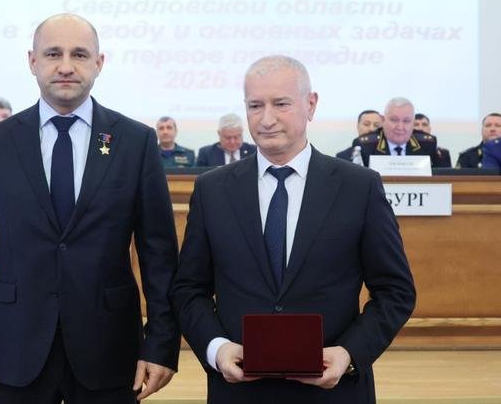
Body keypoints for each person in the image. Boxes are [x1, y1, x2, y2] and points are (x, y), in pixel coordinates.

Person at [0, 13, 180, 404]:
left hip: (110, 350)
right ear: (32, 61)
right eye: (53, 53)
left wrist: (161, 344)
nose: (66, 66)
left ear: (99, 63)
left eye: (80, 54)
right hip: (14, 349)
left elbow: (159, 255)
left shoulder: (135, 142)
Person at [169, 55, 416, 404]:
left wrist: (348, 353)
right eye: (255, 105)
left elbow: (395, 291)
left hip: (335, 392)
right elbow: (188, 289)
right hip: (239, 392)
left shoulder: (359, 187)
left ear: (310, 104)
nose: (266, 119)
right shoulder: (212, 190)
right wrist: (217, 348)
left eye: (281, 104)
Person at [353, 97, 444, 167]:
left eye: (406, 121)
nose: (400, 127)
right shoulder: (365, 145)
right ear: (383, 120)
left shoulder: (427, 144)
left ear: (413, 123)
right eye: (394, 120)